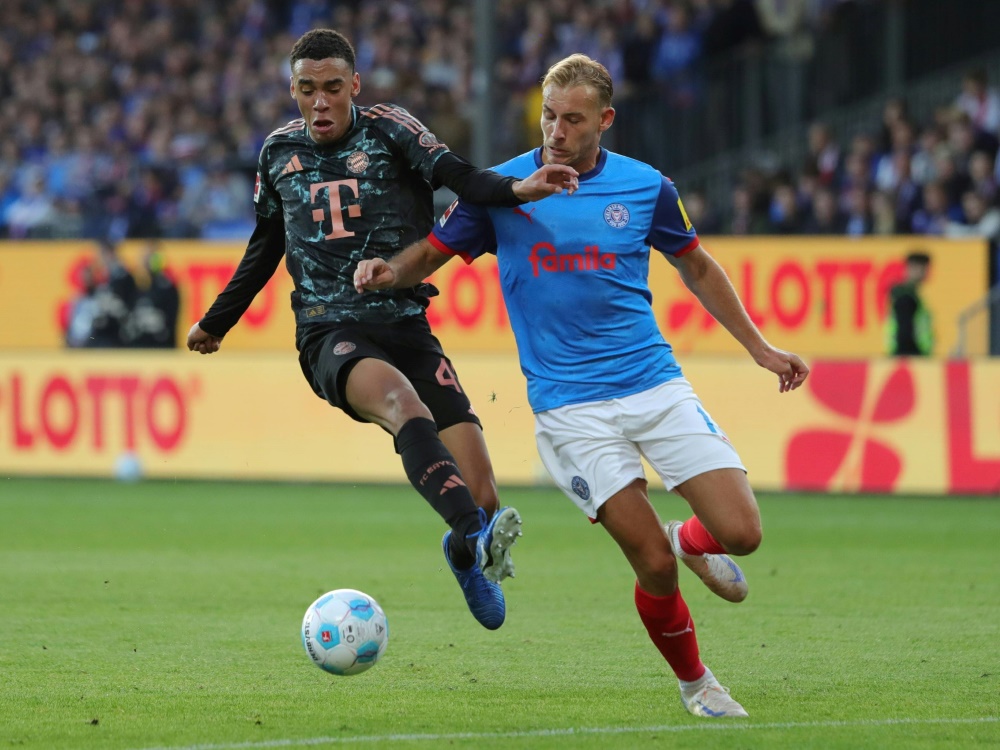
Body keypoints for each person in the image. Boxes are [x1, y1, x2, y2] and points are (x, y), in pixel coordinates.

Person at [355, 53, 810, 718]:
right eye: (548, 117)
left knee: (742, 533)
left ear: (605, 120)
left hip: (655, 385)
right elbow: (430, 252)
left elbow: (699, 267)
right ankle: (698, 684)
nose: (556, 132)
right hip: (573, 410)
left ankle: (694, 542)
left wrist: (761, 348)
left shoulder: (645, 187)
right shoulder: (505, 189)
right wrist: (387, 273)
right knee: (650, 562)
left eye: (572, 120)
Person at [186, 29, 579, 631]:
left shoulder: (392, 128)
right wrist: (218, 322)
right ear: (293, 89)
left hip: (406, 325)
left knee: (484, 494)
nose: (320, 102)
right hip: (330, 331)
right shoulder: (277, 153)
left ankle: (463, 549)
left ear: (355, 87)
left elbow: (461, 176)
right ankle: (475, 536)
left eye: (333, 89)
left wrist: (519, 188)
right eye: (307, 89)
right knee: (402, 404)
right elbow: (266, 245)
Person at [125, 244, 181, 348]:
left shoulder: (167, 287)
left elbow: (169, 322)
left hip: (160, 346)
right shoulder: (139, 287)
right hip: (140, 347)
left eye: (149, 257)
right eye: (144, 257)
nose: (145, 261)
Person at [886, 251, 933, 356]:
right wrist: (913, 356)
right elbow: (904, 332)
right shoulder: (906, 296)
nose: (927, 273)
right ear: (914, 268)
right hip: (909, 356)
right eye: (925, 268)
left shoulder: (909, 294)